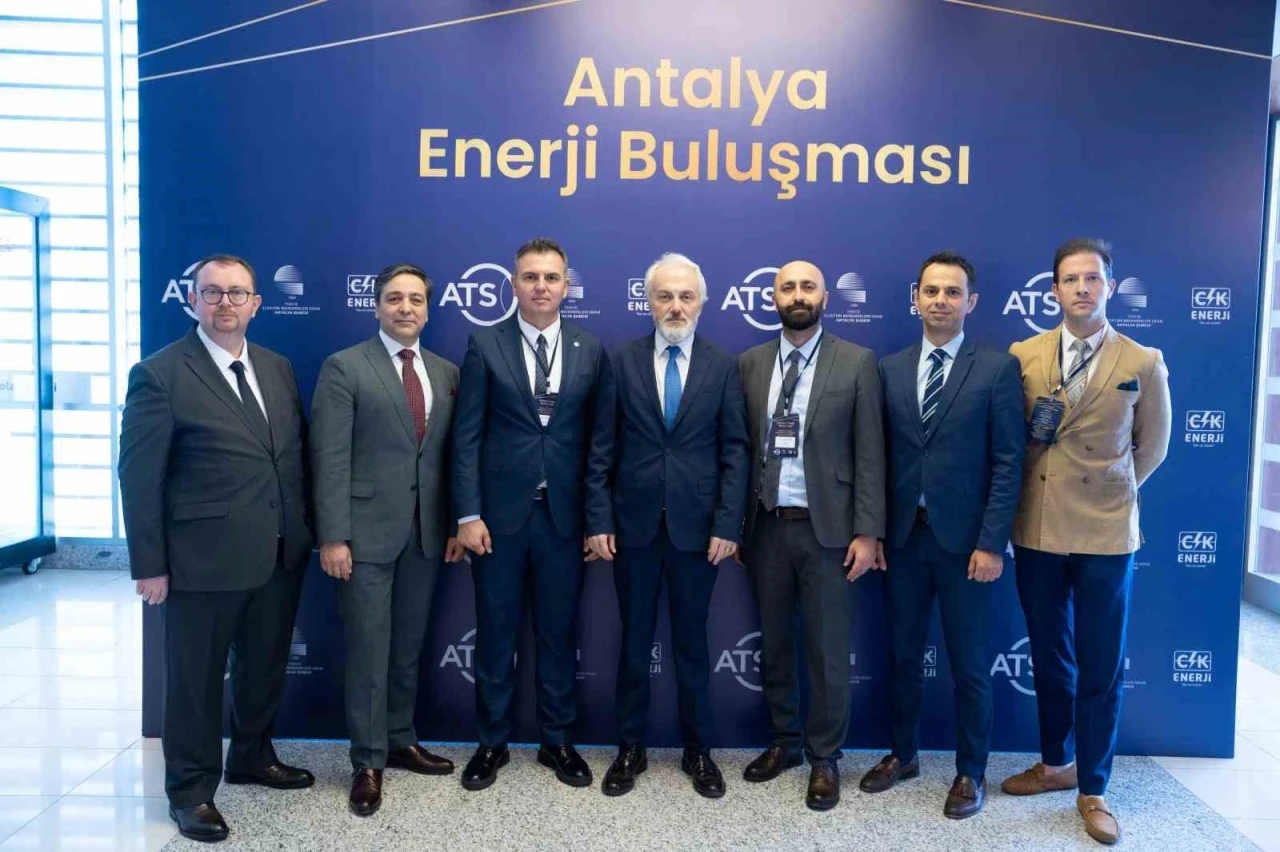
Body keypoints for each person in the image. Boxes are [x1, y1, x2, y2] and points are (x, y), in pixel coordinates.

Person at [119, 254, 314, 844]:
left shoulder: (276, 367)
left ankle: (252, 756)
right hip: (200, 560)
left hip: (277, 553)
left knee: (264, 667)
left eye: (237, 293)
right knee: (194, 682)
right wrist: (150, 565)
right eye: (212, 292)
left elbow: (289, 457)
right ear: (193, 301)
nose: (225, 303)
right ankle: (191, 791)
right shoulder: (159, 374)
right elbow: (139, 476)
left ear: (256, 304)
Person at [1001, 238, 1171, 845]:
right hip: (1039, 526)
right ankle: (1055, 765)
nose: (1081, 288)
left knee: (1101, 664)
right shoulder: (1024, 354)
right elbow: (1013, 439)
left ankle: (1093, 787)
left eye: (1092, 278)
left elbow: (1152, 447)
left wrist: (1113, 490)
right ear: (1053, 291)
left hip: (1106, 531)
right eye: (1070, 279)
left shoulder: (1142, 360)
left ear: (1109, 287)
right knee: (1050, 656)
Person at [859, 251, 1024, 819]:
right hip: (904, 540)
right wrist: (876, 531)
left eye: (952, 292)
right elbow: (876, 459)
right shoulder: (889, 368)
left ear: (970, 302)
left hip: (967, 546)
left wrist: (991, 541)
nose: (940, 301)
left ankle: (970, 771)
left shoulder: (997, 369)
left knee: (970, 666)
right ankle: (902, 754)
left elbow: (1008, 462)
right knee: (903, 657)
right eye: (931, 291)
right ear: (915, 298)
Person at [585, 252, 749, 798]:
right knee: (633, 642)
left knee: (692, 644)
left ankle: (698, 751)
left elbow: (735, 451)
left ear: (702, 303)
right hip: (631, 529)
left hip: (699, 533)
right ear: (649, 302)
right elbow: (601, 449)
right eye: (665, 296)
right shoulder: (621, 361)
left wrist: (728, 523)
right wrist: (599, 517)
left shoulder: (723, 366)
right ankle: (629, 748)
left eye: (685, 296)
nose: (675, 306)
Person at [451, 237, 609, 791]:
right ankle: (491, 743)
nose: (541, 286)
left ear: (566, 285)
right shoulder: (485, 343)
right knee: (496, 633)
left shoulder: (590, 349)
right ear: (514, 284)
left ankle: (557, 741)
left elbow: (599, 444)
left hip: (564, 520)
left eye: (551, 277)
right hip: (497, 522)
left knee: (558, 634)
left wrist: (596, 519)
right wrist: (467, 514)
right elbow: (466, 437)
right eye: (531, 277)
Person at [310, 263, 465, 816]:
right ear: (376, 306)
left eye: (416, 299)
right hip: (363, 537)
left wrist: (453, 524)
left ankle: (400, 741)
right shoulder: (345, 367)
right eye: (395, 298)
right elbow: (328, 457)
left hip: (425, 536)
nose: (405, 308)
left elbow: (450, 457)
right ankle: (367, 761)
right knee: (369, 652)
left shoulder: (445, 372)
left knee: (406, 649)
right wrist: (333, 537)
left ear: (428, 309)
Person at [737, 260, 886, 810]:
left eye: (808, 287)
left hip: (831, 533)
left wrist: (868, 532)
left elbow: (871, 452)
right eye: (787, 287)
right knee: (775, 644)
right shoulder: (751, 362)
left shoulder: (856, 361)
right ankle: (786, 742)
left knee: (827, 650)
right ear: (774, 298)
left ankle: (825, 757)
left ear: (825, 298)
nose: (797, 295)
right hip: (766, 527)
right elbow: (740, 449)